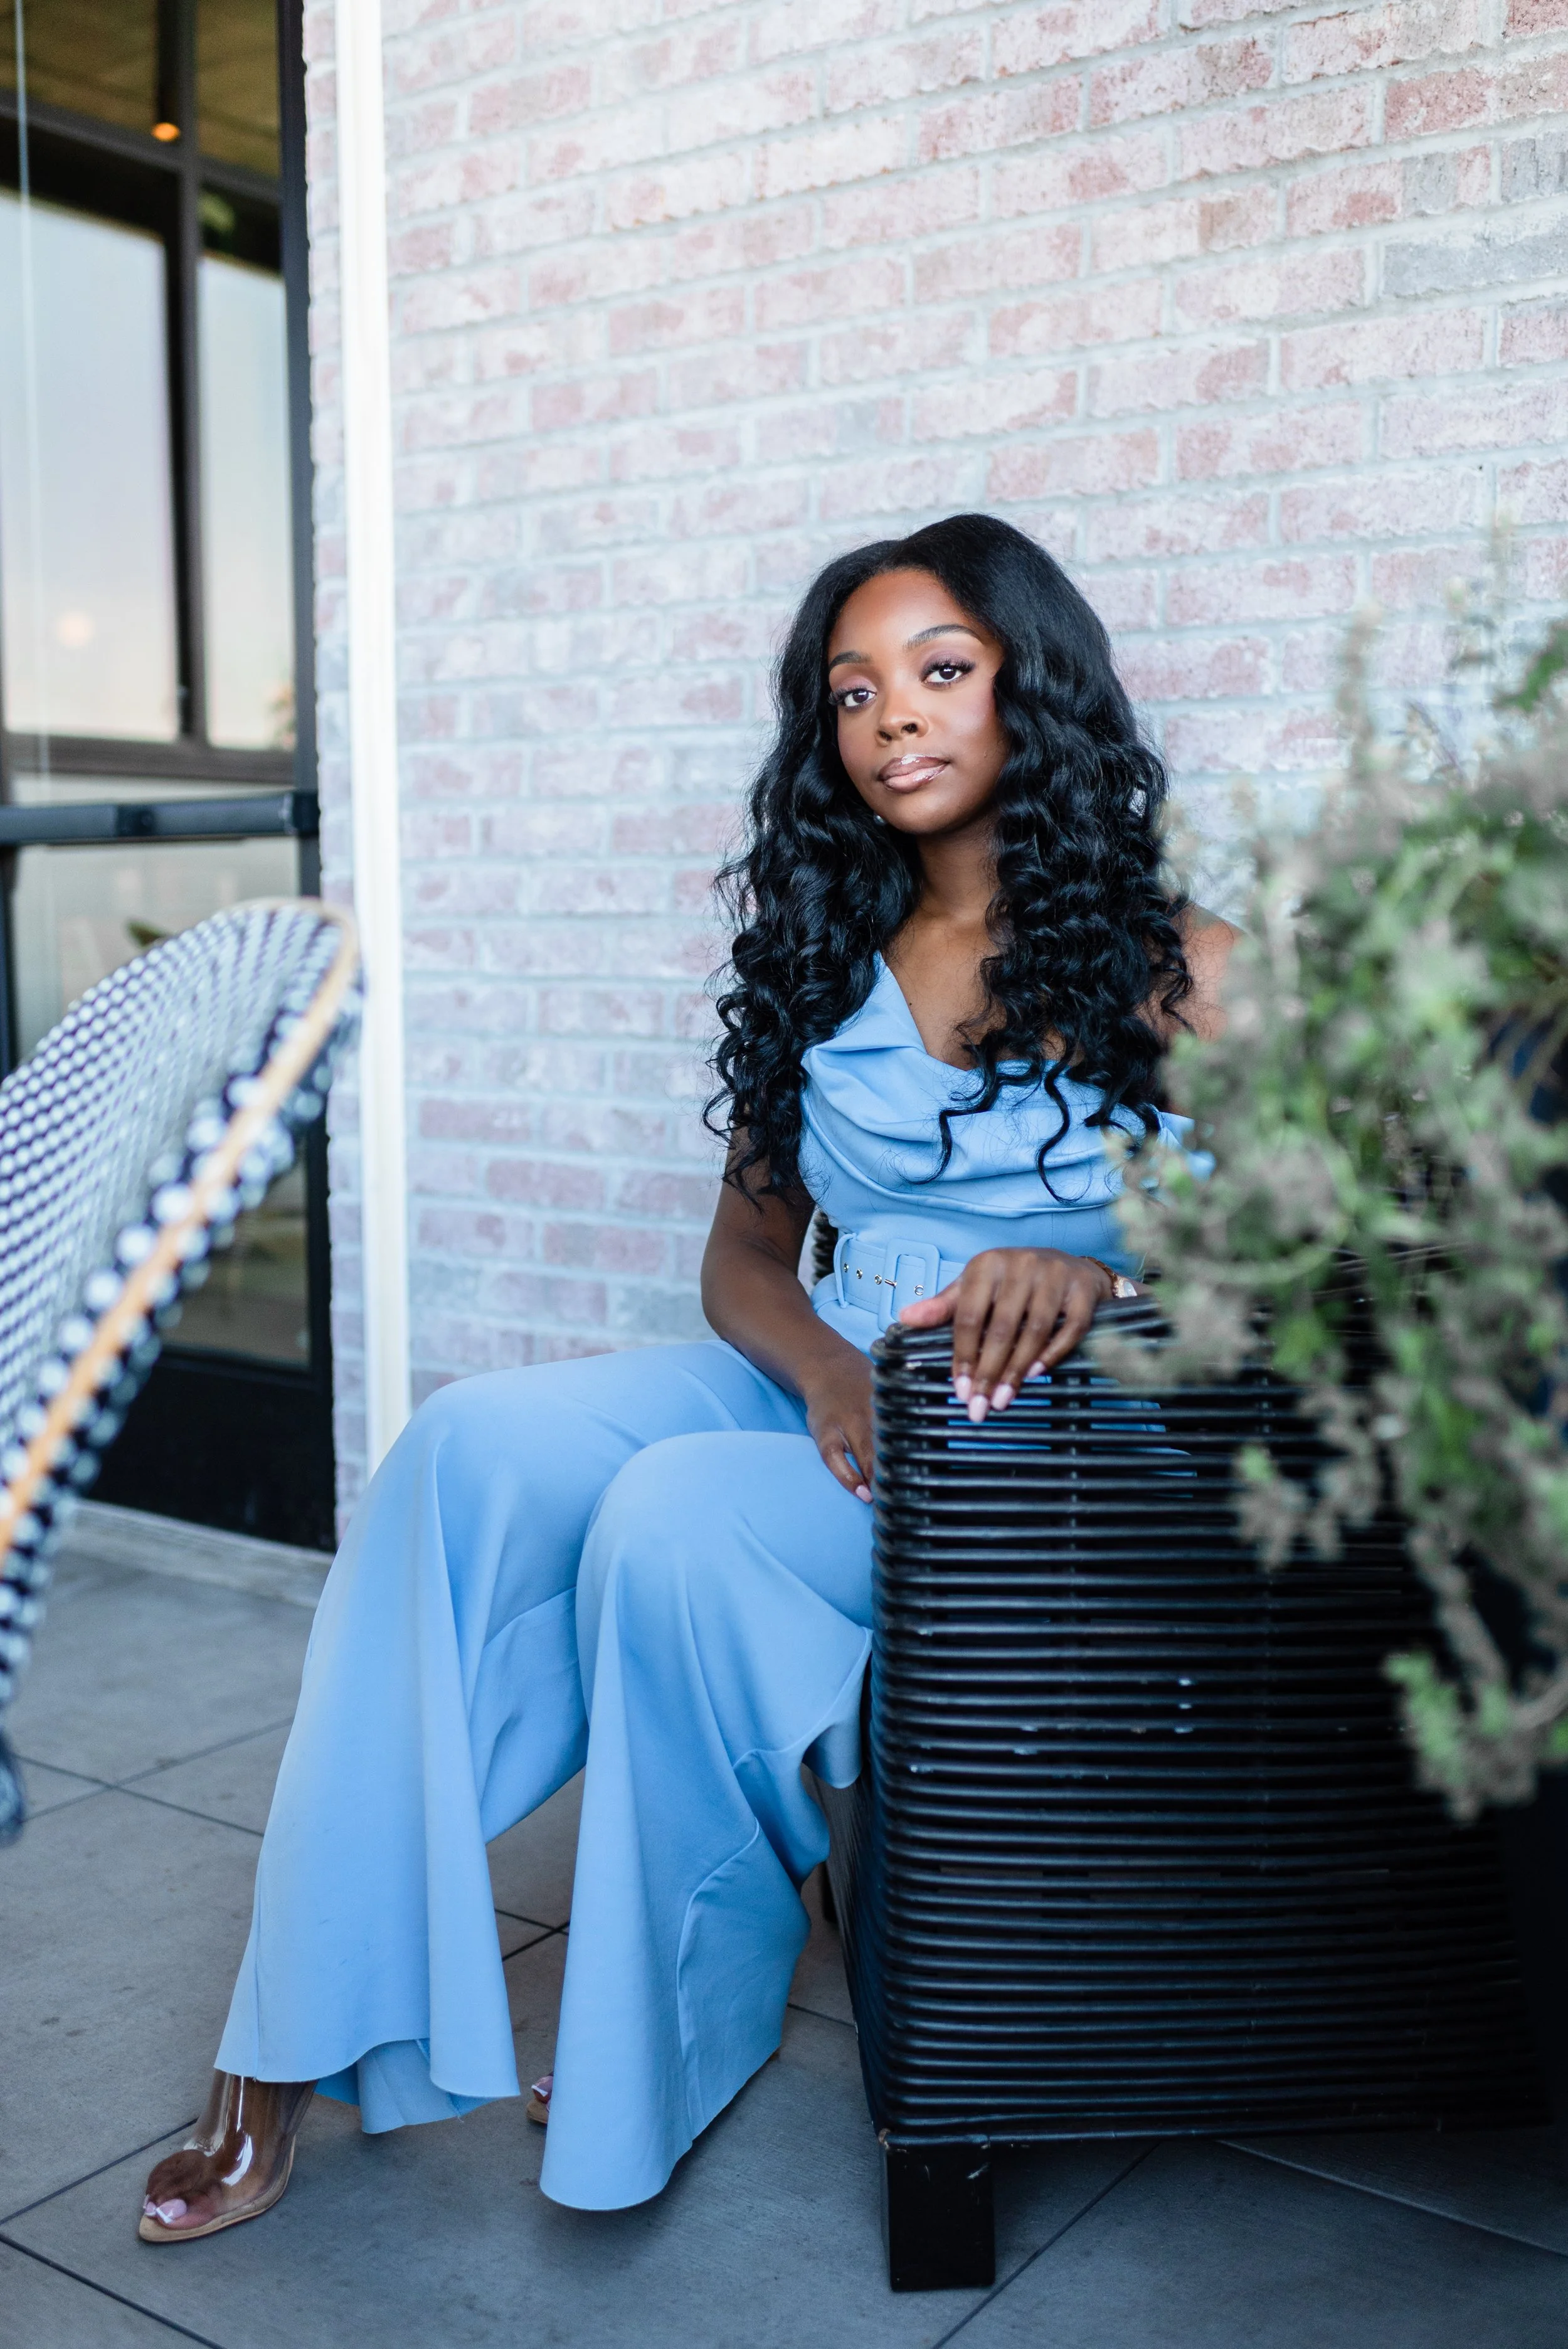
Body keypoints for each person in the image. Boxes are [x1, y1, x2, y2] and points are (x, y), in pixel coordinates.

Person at [139, 512, 1235, 2241]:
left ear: (1039, 689)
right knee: (464, 1450)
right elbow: (743, 1262)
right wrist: (822, 1377)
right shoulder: (825, 958)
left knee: (667, 1517)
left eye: (942, 671)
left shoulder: (1189, 969)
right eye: (852, 690)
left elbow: (1331, 1257)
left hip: (1050, 1438)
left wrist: (1099, 1272)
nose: (894, 718)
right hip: (841, 1383)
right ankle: (289, 2022)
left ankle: (663, 2028)